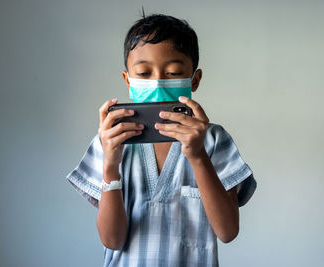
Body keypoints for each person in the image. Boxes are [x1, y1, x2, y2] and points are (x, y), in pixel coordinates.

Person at [66, 12, 257, 267]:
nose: (157, 82)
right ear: (127, 80)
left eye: (173, 72)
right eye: (144, 73)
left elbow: (227, 231)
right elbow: (111, 240)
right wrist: (111, 167)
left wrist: (198, 156)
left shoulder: (213, 140)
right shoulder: (110, 140)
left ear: (195, 80)